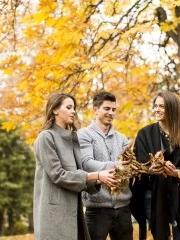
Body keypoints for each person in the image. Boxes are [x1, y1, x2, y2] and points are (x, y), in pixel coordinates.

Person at [33, 93, 116, 240]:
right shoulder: (46, 137)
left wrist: (101, 179)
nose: (73, 111)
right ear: (55, 110)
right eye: (69, 107)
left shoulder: (72, 138)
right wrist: (97, 175)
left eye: (74, 108)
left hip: (74, 210)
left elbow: (78, 174)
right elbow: (58, 175)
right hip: (54, 215)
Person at [130, 91, 180, 240]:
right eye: (156, 106)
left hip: (179, 192)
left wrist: (176, 172)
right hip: (152, 192)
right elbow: (138, 163)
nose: (157, 109)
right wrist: (149, 169)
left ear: (172, 108)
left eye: (162, 106)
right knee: (159, 234)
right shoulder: (145, 133)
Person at [77, 91, 133, 240]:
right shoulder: (84, 135)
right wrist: (117, 165)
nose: (111, 113)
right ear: (95, 109)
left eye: (113, 109)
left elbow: (128, 167)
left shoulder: (122, 139)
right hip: (97, 208)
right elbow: (87, 164)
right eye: (107, 109)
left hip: (123, 208)